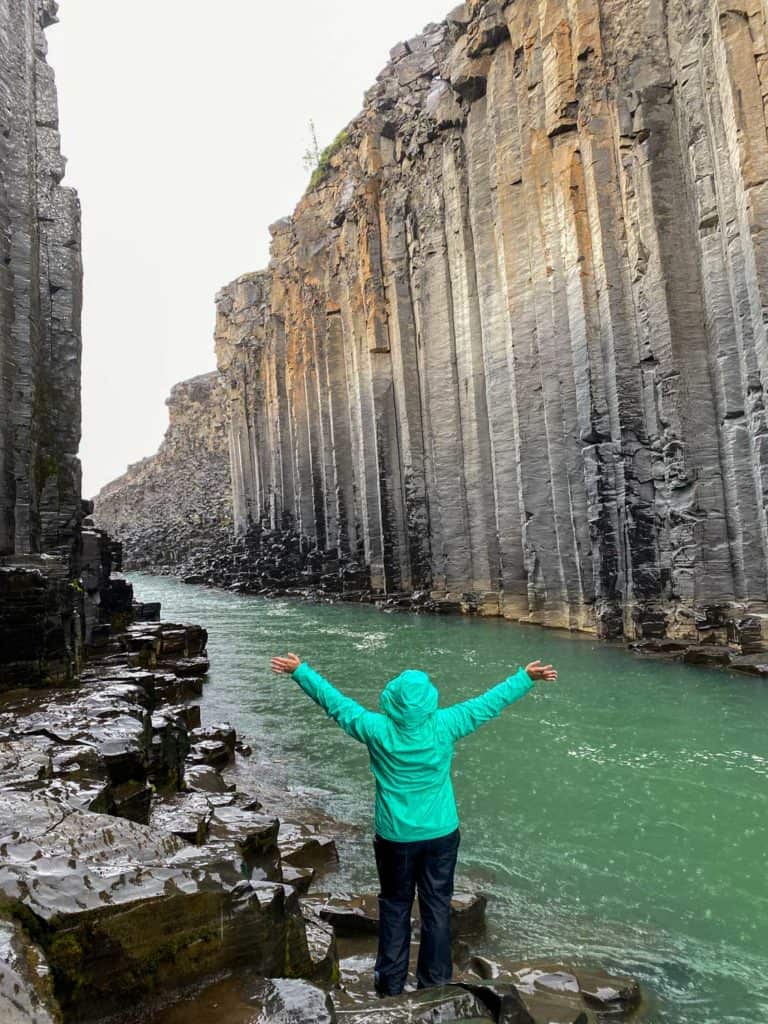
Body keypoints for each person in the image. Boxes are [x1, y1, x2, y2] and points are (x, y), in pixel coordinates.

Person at [270, 651, 558, 997]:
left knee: (394, 906)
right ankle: (434, 983)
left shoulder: (377, 730)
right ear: (430, 701)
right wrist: (524, 678)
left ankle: (390, 985)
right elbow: (487, 704)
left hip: (395, 837)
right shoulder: (446, 725)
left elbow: (337, 705)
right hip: (441, 834)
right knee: (437, 908)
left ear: (391, 699)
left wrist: (301, 671)